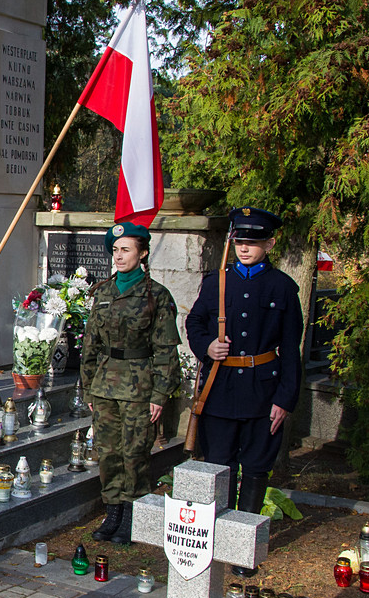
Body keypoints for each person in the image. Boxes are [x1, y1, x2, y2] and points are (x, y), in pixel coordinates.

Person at [186, 206, 303, 576]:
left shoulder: (283, 288)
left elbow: (291, 348)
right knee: (219, 465)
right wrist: (206, 346)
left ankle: (242, 549)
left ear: (270, 244)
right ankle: (212, 542)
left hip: (262, 393)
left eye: (254, 242)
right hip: (220, 391)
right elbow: (195, 322)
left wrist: (284, 398)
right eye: (240, 242)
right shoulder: (216, 282)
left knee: (255, 468)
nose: (245, 248)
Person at [80, 223, 181, 544]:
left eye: (126, 250)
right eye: (115, 250)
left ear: (143, 253)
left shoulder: (157, 296)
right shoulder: (103, 292)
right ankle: (113, 511)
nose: (119, 256)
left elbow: (166, 350)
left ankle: (132, 514)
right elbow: (90, 345)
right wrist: (88, 386)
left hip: (140, 387)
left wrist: (160, 394)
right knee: (108, 452)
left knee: (135, 453)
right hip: (105, 385)